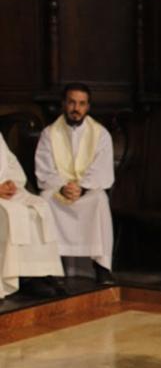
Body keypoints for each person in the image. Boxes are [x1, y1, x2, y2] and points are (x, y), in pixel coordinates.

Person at [35, 83, 115, 285]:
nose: (76, 108)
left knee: (99, 200)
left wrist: (83, 187)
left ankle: (102, 267)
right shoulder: (49, 133)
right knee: (45, 200)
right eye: (71, 102)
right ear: (64, 104)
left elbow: (102, 168)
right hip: (60, 190)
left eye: (81, 103)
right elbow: (45, 168)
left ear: (88, 106)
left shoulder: (100, 134)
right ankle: (52, 269)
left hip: (86, 191)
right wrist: (62, 186)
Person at [0, 133, 65, 298]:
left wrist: (11, 182)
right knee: (14, 213)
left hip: (4, 190)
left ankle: (40, 271)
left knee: (39, 206)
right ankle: (19, 276)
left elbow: (10, 162)